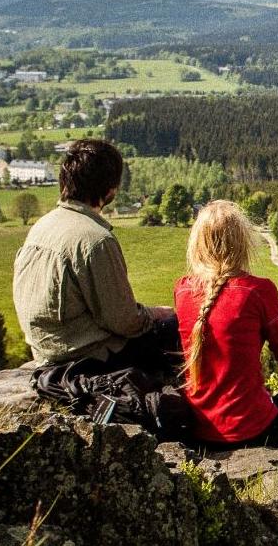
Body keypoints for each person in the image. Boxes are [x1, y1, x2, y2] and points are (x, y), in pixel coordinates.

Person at [176, 199, 278, 471]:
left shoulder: (183, 290)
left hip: (199, 430)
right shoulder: (257, 290)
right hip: (250, 432)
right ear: (241, 242)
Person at [13, 139, 181, 377]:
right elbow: (124, 322)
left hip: (45, 352)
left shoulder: (42, 226)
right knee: (179, 327)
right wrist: (157, 314)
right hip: (86, 358)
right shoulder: (96, 240)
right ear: (111, 188)